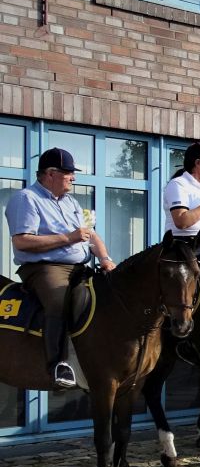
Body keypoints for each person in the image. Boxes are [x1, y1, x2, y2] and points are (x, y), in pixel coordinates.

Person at [5, 147, 116, 389]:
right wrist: (68, 238)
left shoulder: (71, 202)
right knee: (58, 301)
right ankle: (58, 365)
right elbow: (22, 241)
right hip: (45, 268)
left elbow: (90, 235)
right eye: (68, 173)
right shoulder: (26, 199)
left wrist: (105, 259)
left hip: (79, 266)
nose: (73, 178)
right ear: (50, 174)